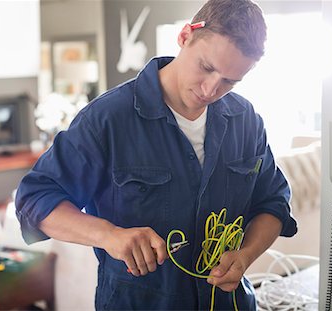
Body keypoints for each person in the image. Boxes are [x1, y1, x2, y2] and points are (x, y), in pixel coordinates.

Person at [15, 0, 297, 310]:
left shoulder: (246, 119)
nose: (210, 89)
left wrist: (245, 255)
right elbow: (35, 199)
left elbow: (273, 202)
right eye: (206, 67)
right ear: (185, 36)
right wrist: (109, 235)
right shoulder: (107, 118)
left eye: (230, 81)